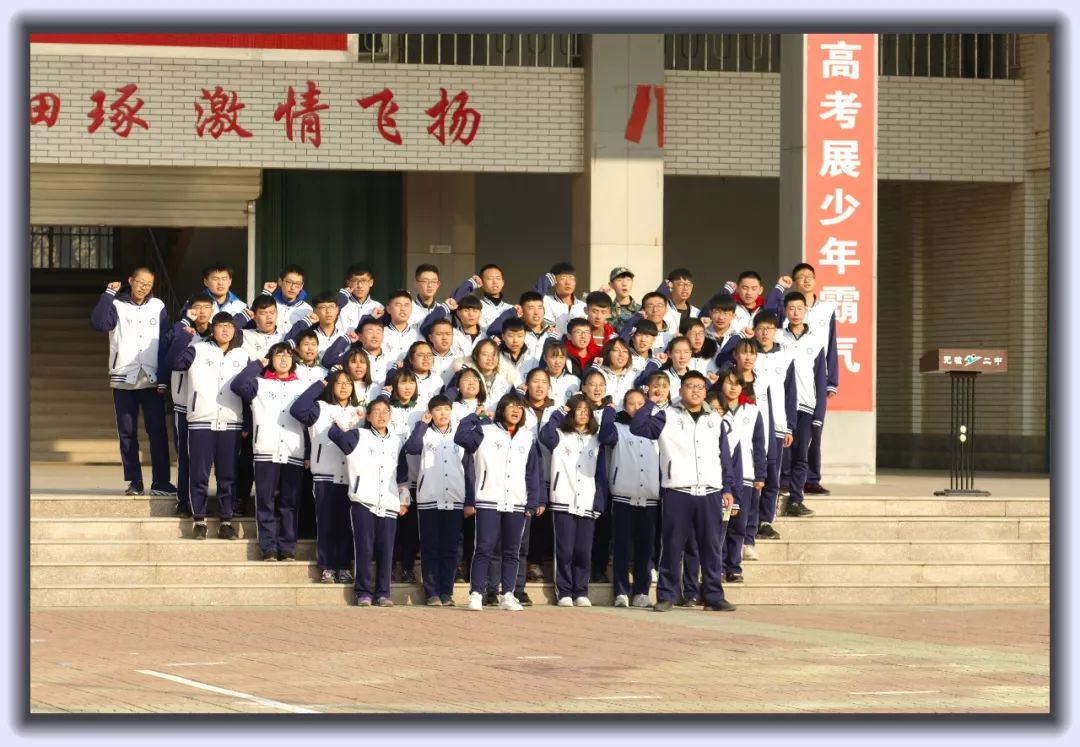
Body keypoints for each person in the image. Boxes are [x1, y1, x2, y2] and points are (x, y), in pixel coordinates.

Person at [630, 371, 738, 612]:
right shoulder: (666, 416)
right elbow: (638, 427)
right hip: (677, 490)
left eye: (700, 387)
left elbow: (724, 456)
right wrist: (650, 403)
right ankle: (666, 595)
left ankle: (713, 595)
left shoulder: (715, 419)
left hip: (710, 491)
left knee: (711, 547)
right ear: (681, 391)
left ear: (706, 391)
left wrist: (728, 487)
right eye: (690, 386)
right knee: (672, 545)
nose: (696, 391)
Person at [454, 394, 544, 612]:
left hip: (516, 501)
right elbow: (461, 437)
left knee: (512, 551)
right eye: (511, 406)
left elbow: (532, 472)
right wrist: (473, 416)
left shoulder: (527, 438)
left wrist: (532, 500)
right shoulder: (485, 431)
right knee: (483, 548)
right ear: (502, 409)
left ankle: (508, 594)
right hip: (488, 499)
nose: (516, 410)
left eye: (519, 407)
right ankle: (476, 593)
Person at [89, 269, 174, 497]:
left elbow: (165, 342)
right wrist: (108, 294)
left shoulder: (158, 306)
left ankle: (161, 482)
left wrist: (163, 377)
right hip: (123, 377)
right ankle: (134, 481)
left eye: (149, 284)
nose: (143, 287)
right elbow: (98, 323)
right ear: (130, 281)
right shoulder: (116, 305)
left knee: (158, 432)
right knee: (127, 433)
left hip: (152, 379)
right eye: (140, 282)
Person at [166, 312, 248, 540]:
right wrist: (184, 335)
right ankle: (199, 520)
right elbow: (173, 362)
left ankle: (226, 521)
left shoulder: (243, 356)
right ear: (213, 329)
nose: (225, 330)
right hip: (201, 420)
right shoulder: (198, 350)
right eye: (221, 326)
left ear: (234, 330)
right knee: (199, 474)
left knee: (228, 476)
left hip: (231, 422)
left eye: (229, 326)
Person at [230, 343, 310, 562]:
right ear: (271, 359)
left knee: (289, 503)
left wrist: (308, 453)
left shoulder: (302, 386)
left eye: (288, 355)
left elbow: (310, 422)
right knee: (265, 501)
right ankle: (268, 547)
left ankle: (287, 547)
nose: (283, 359)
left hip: (293, 451)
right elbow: (237, 385)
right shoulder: (259, 384)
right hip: (266, 450)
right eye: (278, 355)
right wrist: (258, 364)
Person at [328, 398, 408, 607]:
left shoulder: (397, 441)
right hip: (363, 501)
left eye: (385, 411)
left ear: (390, 415)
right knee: (363, 549)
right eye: (376, 411)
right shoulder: (358, 436)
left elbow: (402, 474)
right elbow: (334, 433)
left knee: (386, 551)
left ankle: (383, 593)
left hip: (389, 503)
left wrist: (404, 500)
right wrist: (353, 418)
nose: (381, 415)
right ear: (369, 416)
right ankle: (363, 592)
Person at [539, 394, 617, 607]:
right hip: (563, 499)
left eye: (586, 410)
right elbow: (545, 435)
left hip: (588, 501)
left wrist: (599, 501)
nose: (582, 413)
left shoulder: (596, 439)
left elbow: (601, 473)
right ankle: (564, 592)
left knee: (583, 551)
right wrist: (560, 412)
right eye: (578, 409)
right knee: (565, 550)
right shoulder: (559, 435)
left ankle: (581, 591)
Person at [289, 371, 365, 584]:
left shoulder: (360, 412)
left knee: (346, 525)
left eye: (348, 383)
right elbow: (297, 409)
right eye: (338, 383)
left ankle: (344, 566)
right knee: (326, 524)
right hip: (325, 475)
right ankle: (327, 567)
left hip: (350, 477)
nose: (344, 386)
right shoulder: (320, 408)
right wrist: (320, 384)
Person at [403, 395, 468, 606]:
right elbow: (412, 448)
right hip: (429, 499)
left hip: (455, 499)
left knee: (450, 548)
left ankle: (446, 592)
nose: (443, 413)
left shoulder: (459, 435)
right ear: (431, 413)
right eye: (438, 410)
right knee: (430, 547)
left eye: (446, 409)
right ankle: (431, 592)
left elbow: (469, 467)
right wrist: (422, 425)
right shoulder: (425, 433)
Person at [160, 294, 214, 515]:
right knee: (184, 454)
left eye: (206, 307)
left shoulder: (217, 333)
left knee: (206, 459)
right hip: (184, 403)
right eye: (197, 307)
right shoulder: (180, 330)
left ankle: (203, 501)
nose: (202, 311)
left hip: (209, 406)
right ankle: (183, 501)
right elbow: (168, 351)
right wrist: (185, 326)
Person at [608, 388, 660, 608]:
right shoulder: (618, 428)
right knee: (621, 547)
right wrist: (609, 412)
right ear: (624, 406)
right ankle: (621, 591)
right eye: (632, 403)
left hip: (649, 498)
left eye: (641, 404)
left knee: (645, 548)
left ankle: (641, 591)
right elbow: (604, 436)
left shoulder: (657, 431)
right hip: (623, 497)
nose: (637, 408)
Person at [791, 262, 839, 495]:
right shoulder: (789, 308)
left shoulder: (827, 309)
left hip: (817, 376)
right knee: (790, 428)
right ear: (795, 282)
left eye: (810, 276)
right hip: (792, 376)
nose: (806, 280)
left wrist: (832, 380)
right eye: (801, 277)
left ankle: (811, 478)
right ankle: (787, 477)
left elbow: (832, 344)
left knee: (815, 427)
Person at [714, 369, 766, 583]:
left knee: (739, 524)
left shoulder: (752, 411)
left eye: (737, 383)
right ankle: (717, 566)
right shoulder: (714, 409)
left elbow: (759, 444)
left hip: (746, 475)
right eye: (729, 382)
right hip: (718, 475)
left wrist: (760, 475)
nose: (733, 387)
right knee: (720, 524)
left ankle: (734, 567)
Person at [778, 292, 826, 519]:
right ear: (785, 311)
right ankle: (779, 493)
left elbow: (821, 378)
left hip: (806, 405)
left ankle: (796, 499)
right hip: (781, 404)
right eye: (791, 308)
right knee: (781, 453)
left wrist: (819, 415)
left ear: (806, 311)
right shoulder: (778, 337)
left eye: (799, 308)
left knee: (801, 455)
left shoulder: (816, 340)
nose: (795, 313)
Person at [750, 311, 796, 542]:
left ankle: (766, 520)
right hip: (751, 424)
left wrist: (789, 427)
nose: (765, 333)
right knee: (752, 473)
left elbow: (791, 392)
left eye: (769, 328)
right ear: (754, 331)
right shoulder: (748, 354)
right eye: (760, 328)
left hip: (777, 424)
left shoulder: (784, 357)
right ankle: (750, 518)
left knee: (772, 474)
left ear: (776, 331)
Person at [382, 368, 424, 585]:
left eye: (411, 383)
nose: (407, 387)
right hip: (389, 478)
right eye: (403, 382)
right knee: (391, 528)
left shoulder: (422, 410)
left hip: (415, 478)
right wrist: (384, 395)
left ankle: (407, 567)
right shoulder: (386, 409)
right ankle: (387, 567)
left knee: (410, 529)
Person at [534, 262, 587, 337]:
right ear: (554, 281)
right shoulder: (545, 301)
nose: (568, 282)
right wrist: (545, 282)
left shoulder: (583, 306)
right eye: (563, 278)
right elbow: (531, 300)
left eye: (571, 278)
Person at [259, 264, 312, 337]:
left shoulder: (307, 310)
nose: (293, 287)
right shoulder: (270, 304)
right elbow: (253, 318)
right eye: (289, 282)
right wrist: (265, 294)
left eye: (297, 284)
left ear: (302, 286)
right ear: (280, 281)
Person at [336, 263, 384, 334]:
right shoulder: (340, 305)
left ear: (371, 282)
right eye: (355, 281)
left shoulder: (379, 307)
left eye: (364, 281)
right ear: (348, 283)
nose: (360, 286)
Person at [592, 337, 637, 411]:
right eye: (616, 350)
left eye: (625, 351)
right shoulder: (598, 373)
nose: (621, 354)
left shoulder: (635, 376)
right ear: (607, 353)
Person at [540, 338, 580, 407]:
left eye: (561, 357)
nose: (557, 362)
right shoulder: (538, 379)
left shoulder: (575, 381)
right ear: (545, 358)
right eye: (553, 357)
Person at [659, 268, 699, 333]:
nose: (685, 288)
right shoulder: (660, 310)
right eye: (681, 284)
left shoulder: (697, 313)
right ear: (670, 286)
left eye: (688, 284)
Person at [603, 267, 640, 334]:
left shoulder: (641, 310)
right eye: (619, 280)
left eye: (628, 280)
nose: (624, 284)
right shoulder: (606, 312)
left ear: (632, 282)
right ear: (611, 285)